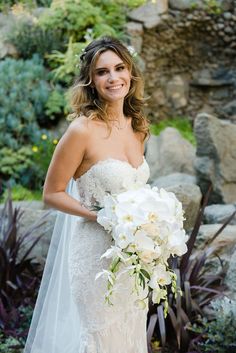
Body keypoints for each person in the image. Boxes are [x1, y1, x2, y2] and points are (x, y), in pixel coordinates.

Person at [24, 36, 150, 353]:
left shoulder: (138, 126)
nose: (113, 78)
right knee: (100, 339)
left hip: (134, 258)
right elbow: (51, 193)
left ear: (131, 72)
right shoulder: (81, 130)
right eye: (102, 72)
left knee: (130, 335)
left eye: (119, 68)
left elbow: (136, 189)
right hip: (95, 255)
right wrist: (100, 216)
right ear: (90, 81)